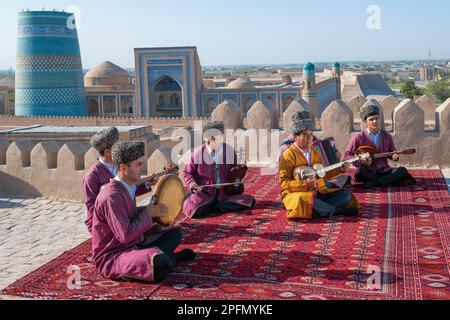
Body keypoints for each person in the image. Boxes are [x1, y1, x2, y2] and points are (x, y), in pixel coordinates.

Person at [92, 141, 195, 283]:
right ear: (123, 167)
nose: (143, 168)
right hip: (114, 255)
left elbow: (132, 216)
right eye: (139, 164)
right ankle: (170, 259)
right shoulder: (111, 196)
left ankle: (163, 259)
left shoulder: (125, 188)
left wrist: (156, 225)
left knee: (174, 234)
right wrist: (148, 214)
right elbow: (125, 236)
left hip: (134, 244)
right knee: (156, 260)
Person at [279, 112, 360, 219]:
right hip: (297, 194)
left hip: (317, 191)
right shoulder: (288, 155)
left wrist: (340, 169)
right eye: (305, 135)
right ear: (295, 137)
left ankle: (320, 211)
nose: (309, 139)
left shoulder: (314, 152)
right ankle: (336, 211)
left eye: (311, 134)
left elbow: (322, 174)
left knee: (345, 195)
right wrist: (305, 184)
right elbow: (284, 183)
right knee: (305, 200)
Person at [82, 127, 155, 234]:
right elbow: (94, 208)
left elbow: (127, 190)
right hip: (105, 226)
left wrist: (147, 184)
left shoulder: (119, 166)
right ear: (107, 152)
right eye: (117, 146)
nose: (121, 148)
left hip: (124, 216)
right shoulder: (92, 176)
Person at [183, 121, 256, 218]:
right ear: (206, 139)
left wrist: (238, 173)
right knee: (194, 209)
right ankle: (215, 206)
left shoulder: (229, 151)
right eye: (209, 139)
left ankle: (215, 206)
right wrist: (193, 184)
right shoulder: (197, 153)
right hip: (205, 193)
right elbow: (187, 173)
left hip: (224, 193)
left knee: (249, 201)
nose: (211, 142)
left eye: (215, 138)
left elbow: (233, 171)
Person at [344, 102, 416, 189]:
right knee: (360, 173)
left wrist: (394, 157)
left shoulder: (387, 136)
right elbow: (347, 155)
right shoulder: (358, 137)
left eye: (376, 118)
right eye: (371, 119)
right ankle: (386, 181)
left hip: (384, 170)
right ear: (365, 121)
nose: (375, 121)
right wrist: (360, 161)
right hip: (368, 171)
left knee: (402, 170)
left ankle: (374, 183)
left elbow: (392, 152)